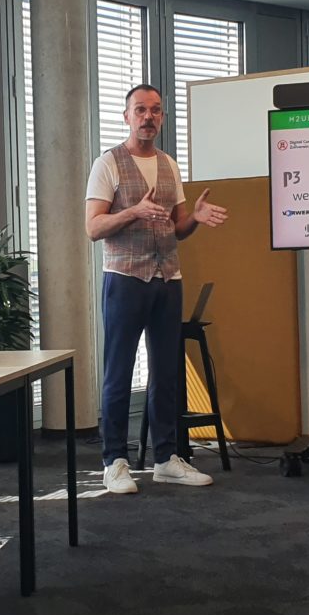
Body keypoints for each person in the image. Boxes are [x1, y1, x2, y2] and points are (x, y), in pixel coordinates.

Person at [85, 84, 229, 494]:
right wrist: (132, 211)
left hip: (168, 279)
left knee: (167, 372)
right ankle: (114, 461)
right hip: (125, 279)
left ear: (162, 117)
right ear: (127, 116)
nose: (148, 117)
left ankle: (166, 458)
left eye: (156, 110)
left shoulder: (169, 165)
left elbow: (177, 228)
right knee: (119, 372)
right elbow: (93, 227)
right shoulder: (108, 163)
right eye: (140, 110)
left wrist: (195, 217)